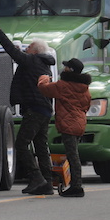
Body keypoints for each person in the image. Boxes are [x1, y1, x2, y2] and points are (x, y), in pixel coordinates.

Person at [0, 16, 56, 195]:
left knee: (21, 144)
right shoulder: (42, 63)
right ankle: (47, 182)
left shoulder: (32, 61)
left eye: (29, 47)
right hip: (45, 109)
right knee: (40, 146)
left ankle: (36, 177)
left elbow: (11, 51)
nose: (26, 48)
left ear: (35, 51)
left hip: (35, 109)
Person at [37, 58, 92, 197]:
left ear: (70, 70)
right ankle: (74, 184)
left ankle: (76, 187)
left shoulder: (63, 85)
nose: (64, 68)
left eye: (67, 67)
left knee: (73, 156)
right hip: (79, 123)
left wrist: (43, 78)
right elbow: (87, 105)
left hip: (69, 125)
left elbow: (44, 89)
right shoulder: (84, 88)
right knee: (73, 155)